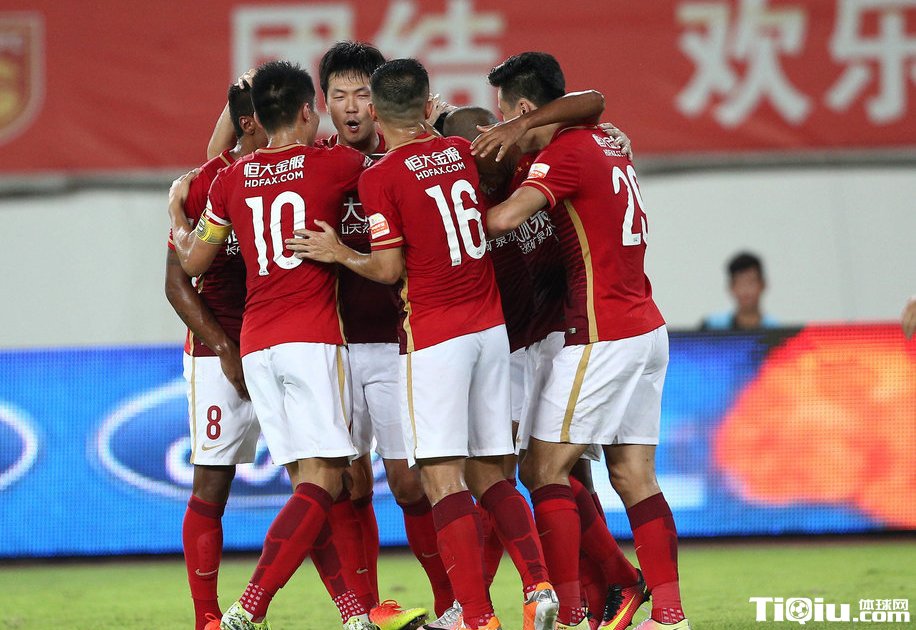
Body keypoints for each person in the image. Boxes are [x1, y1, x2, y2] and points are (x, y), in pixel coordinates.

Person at [288, 58, 559, 630]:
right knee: (490, 472)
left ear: (376, 110)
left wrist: (339, 252)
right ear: (428, 103)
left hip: (436, 336)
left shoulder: (379, 176)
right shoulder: (459, 151)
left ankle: (475, 615)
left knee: (440, 477)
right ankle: (538, 586)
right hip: (491, 331)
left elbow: (388, 269)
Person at [476, 51, 690, 630]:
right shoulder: (606, 143)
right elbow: (592, 101)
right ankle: (670, 616)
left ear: (525, 109)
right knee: (633, 475)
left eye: (505, 117)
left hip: (604, 332)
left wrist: (443, 215)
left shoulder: (564, 154)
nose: (503, 131)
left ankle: (570, 614)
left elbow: (503, 221)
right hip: (647, 326)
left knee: (543, 467)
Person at [168, 60, 372, 630]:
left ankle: (354, 614)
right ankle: (250, 606)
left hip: (256, 343)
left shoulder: (230, 180)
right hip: (310, 337)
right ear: (308, 111)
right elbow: (384, 164)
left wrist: (176, 215)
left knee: (309, 483)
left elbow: (193, 261)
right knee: (324, 479)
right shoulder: (332, 164)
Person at [165, 80, 267, 630]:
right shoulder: (205, 184)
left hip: (287, 346)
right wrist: (227, 350)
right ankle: (207, 617)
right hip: (217, 354)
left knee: (323, 479)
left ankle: (356, 609)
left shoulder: (300, 167)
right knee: (212, 483)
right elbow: (176, 283)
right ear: (252, 121)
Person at [701, 251, 778, 331]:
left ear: (763, 285)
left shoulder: (776, 330)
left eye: (751, 283)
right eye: (740, 284)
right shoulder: (712, 327)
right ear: (731, 287)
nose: (746, 290)